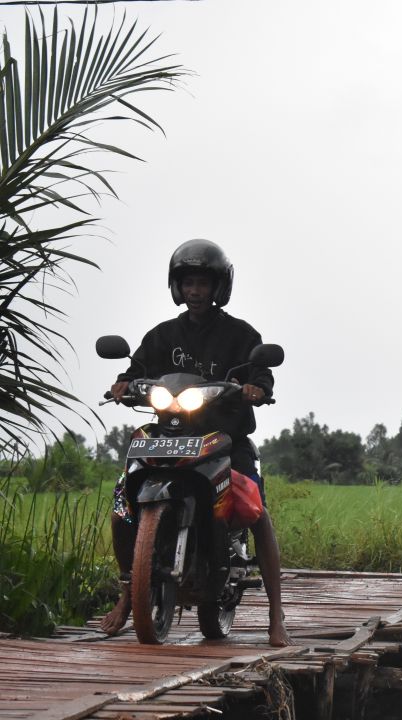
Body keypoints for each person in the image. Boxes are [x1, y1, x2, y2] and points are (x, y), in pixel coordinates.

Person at [99, 239, 292, 646]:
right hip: (169, 436)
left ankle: (277, 616)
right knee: (120, 510)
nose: (195, 291)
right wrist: (123, 384)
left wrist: (256, 387)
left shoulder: (241, 335)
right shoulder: (162, 335)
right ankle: (127, 595)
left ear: (218, 287)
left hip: (225, 439)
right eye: (188, 283)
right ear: (177, 287)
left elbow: (262, 373)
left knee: (257, 513)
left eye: (202, 283)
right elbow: (135, 369)